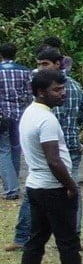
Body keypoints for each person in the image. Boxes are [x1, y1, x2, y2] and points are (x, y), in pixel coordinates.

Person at [17, 69, 83, 264]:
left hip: (35, 186)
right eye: (57, 90)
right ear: (41, 92)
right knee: (68, 244)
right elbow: (54, 160)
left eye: (63, 88)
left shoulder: (30, 113)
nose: (63, 93)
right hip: (53, 188)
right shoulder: (46, 120)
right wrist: (71, 186)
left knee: (35, 242)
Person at [34, 46, 83, 234]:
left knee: (66, 190)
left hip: (67, 147)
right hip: (51, 146)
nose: (41, 68)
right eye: (38, 64)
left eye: (45, 64)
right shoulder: (45, 87)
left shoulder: (66, 87)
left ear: (57, 64)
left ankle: (72, 233)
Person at [1, 43, 31, 245]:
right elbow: (30, 94)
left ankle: (11, 188)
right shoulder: (25, 71)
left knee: (2, 150)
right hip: (20, 114)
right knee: (15, 148)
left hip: (2, 114)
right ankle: (15, 185)